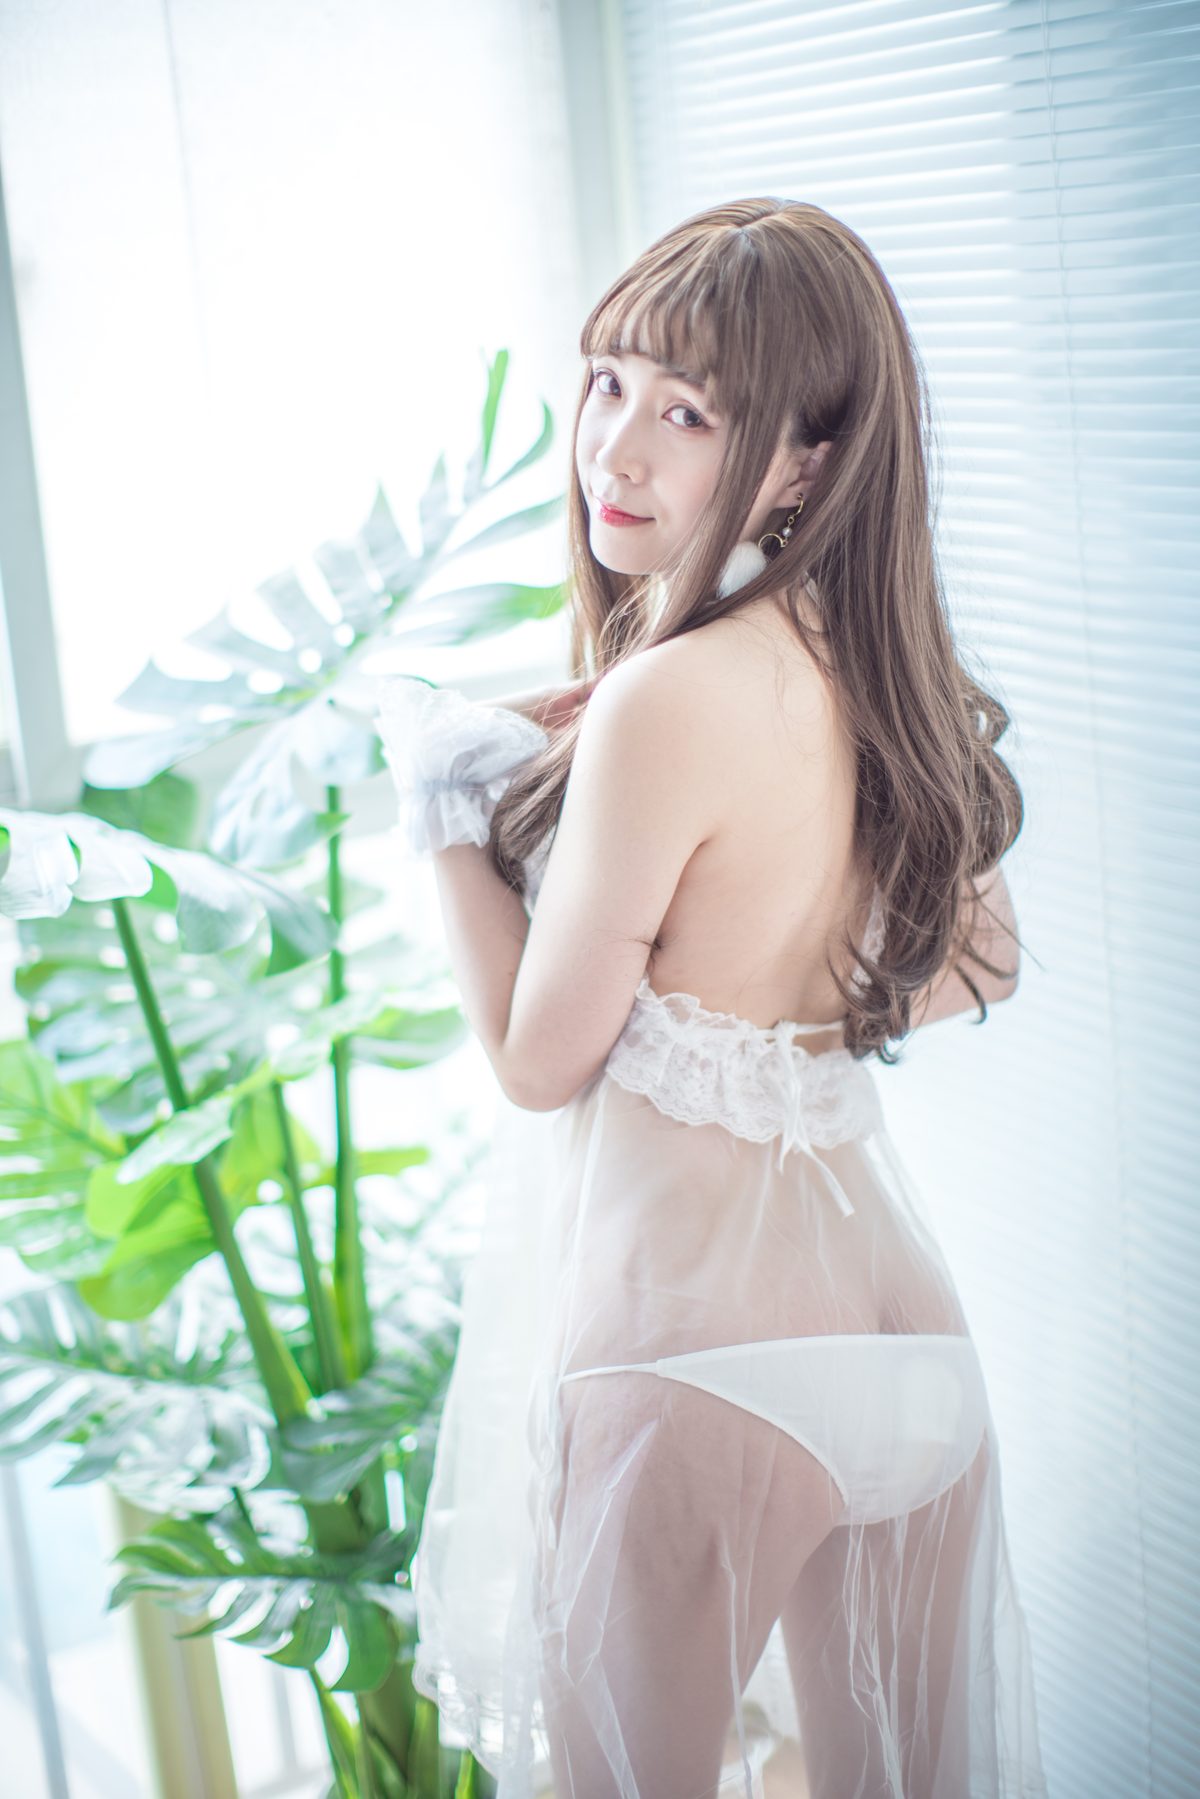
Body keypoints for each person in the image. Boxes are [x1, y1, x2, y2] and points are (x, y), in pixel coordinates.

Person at [376, 197, 1048, 1799]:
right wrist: (771, 994)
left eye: (690, 413)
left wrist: (440, 806)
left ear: (806, 461)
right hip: (904, 1337)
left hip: (693, 1359)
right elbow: (981, 957)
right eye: (610, 383)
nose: (616, 448)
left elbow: (540, 1060)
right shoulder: (876, 663)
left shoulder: (665, 696)